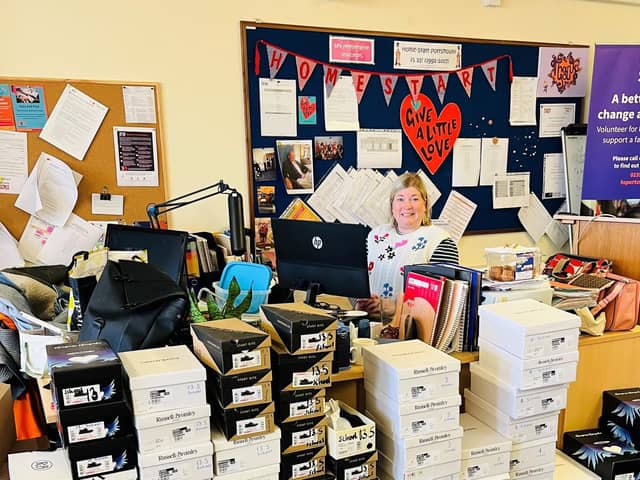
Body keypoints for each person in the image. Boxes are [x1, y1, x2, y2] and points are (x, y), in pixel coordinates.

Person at [355, 172, 459, 329]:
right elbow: (355, 280)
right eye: (400, 199)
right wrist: (360, 304)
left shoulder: (439, 241)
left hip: (414, 332)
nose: (407, 206)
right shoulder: (375, 236)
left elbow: (444, 302)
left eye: (415, 199)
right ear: (392, 205)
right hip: (369, 327)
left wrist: (394, 307)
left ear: (425, 205)